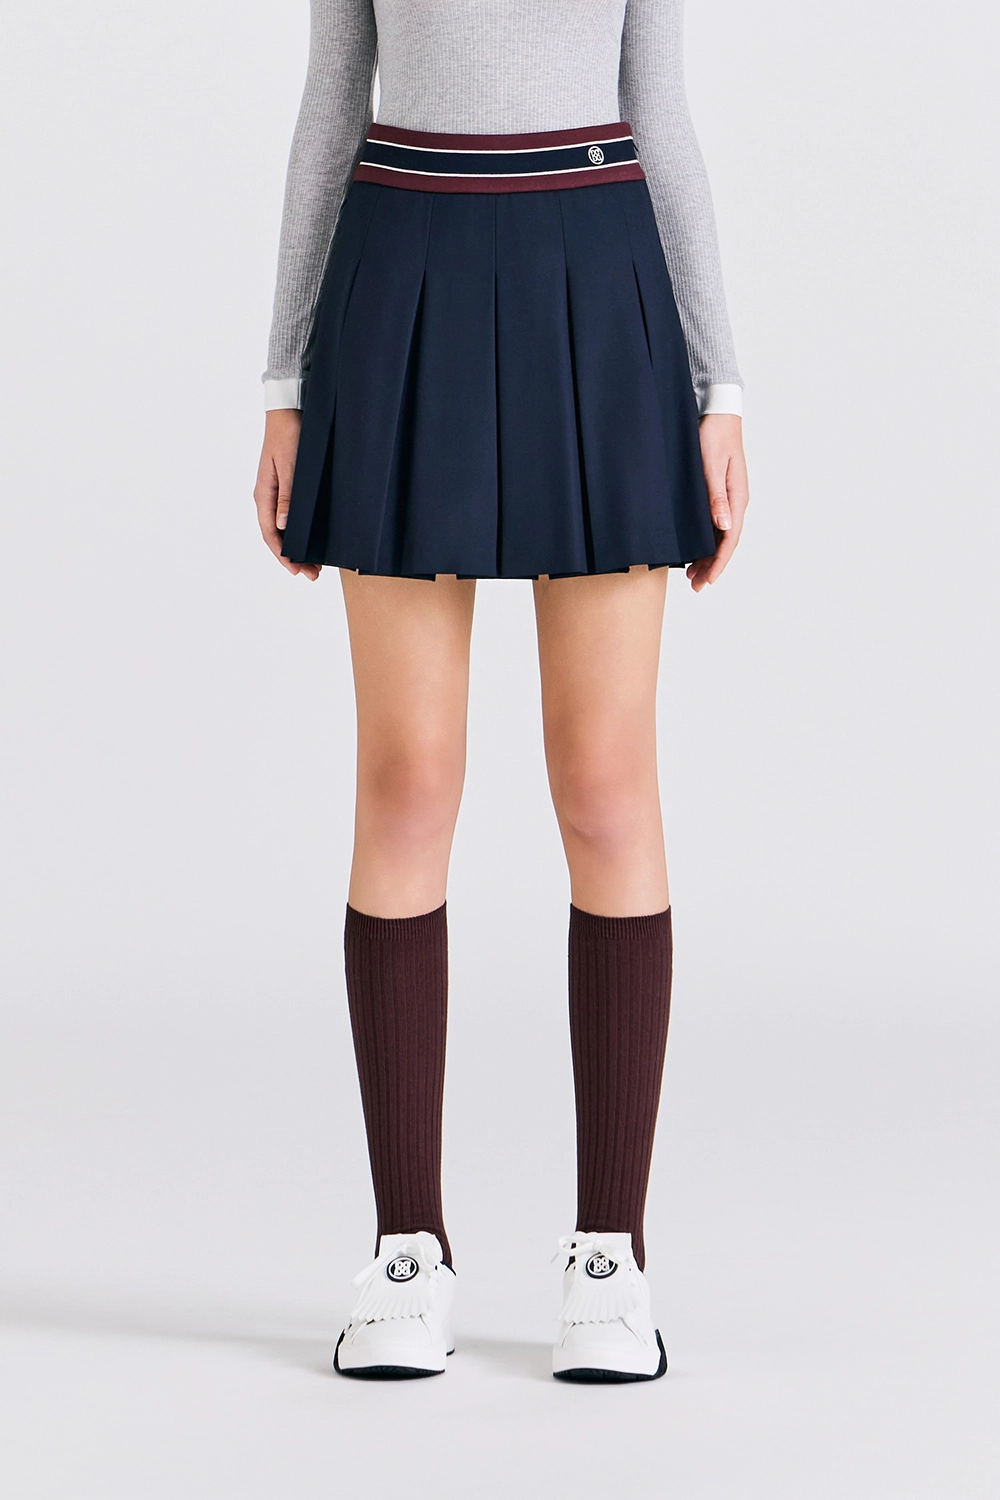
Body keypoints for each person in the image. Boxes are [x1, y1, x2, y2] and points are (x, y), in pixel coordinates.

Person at [254, 0, 748, 1384]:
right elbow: (332, 100)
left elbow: (660, 106)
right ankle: (405, 1248)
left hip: (600, 282)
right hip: (399, 276)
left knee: (606, 785)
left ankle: (612, 1257)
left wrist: (722, 386)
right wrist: (284, 376)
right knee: (407, 778)